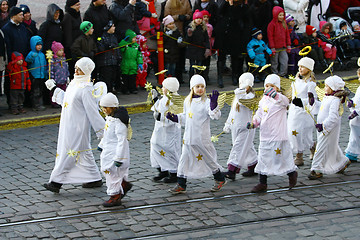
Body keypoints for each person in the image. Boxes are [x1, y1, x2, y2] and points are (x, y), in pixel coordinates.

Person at [43, 57, 105, 193]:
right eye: (76, 68)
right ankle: (94, 178)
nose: (76, 71)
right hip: (68, 124)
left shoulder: (87, 89)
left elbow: (92, 111)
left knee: (69, 152)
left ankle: (56, 182)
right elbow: (66, 99)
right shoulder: (73, 84)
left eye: (80, 69)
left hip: (78, 127)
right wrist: (54, 88)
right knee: (84, 151)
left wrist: (103, 131)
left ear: (86, 71)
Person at [166, 75, 226, 194]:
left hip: (200, 138)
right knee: (183, 160)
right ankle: (181, 183)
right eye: (197, 86)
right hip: (188, 137)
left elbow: (214, 115)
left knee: (207, 158)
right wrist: (175, 118)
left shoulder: (206, 102)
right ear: (192, 88)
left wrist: (213, 104)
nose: (200, 89)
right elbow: (186, 117)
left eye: (202, 86)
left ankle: (219, 177)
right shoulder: (187, 102)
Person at [247, 74, 298, 193]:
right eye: (267, 86)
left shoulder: (280, 99)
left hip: (278, 135)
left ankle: (291, 173)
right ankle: (262, 183)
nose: (269, 88)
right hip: (265, 134)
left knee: (280, 157)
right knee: (263, 158)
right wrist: (254, 122)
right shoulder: (263, 100)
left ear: (277, 88)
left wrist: (276, 95)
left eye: (272, 86)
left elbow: (286, 102)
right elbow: (259, 113)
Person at [309, 75, 351, 180]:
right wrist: (313, 102)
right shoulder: (327, 97)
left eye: (327, 86)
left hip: (328, 128)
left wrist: (324, 126)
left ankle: (316, 168)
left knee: (321, 147)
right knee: (331, 145)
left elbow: (333, 117)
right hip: (322, 128)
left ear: (333, 88)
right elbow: (322, 107)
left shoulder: (335, 100)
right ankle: (342, 161)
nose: (324, 88)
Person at [98, 93, 133, 207]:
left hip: (115, 153)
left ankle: (115, 196)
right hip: (108, 151)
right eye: (102, 107)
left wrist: (119, 158)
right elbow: (107, 135)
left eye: (106, 107)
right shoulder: (110, 119)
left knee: (113, 173)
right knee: (107, 170)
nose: (103, 110)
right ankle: (123, 184)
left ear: (112, 107)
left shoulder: (118, 122)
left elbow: (122, 140)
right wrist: (102, 144)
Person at [223, 73, 258, 180]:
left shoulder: (250, 96)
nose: (241, 85)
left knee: (237, 147)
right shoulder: (238, 95)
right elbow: (232, 112)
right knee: (247, 147)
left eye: (244, 83)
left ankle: (232, 170)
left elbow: (243, 102)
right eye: (240, 83)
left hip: (246, 127)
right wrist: (228, 124)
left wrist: (242, 90)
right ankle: (254, 165)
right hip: (236, 126)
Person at [287, 57, 318, 166]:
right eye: (299, 66)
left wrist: (302, 102)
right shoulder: (295, 81)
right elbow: (293, 94)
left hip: (304, 112)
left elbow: (312, 100)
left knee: (303, 133)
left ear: (309, 69)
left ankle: (304, 152)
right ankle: (298, 151)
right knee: (292, 131)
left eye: (303, 67)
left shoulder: (310, 84)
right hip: (294, 112)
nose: (300, 69)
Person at [150, 77, 181, 183]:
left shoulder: (175, 100)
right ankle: (162, 169)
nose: (162, 88)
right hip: (159, 130)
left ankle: (174, 172)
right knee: (155, 146)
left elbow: (175, 118)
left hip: (169, 132)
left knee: (169, 150)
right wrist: (155, 100)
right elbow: (158, 108)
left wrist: (160, 117)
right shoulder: (164, 98)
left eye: (164, 87)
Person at [164, 0, 192, 83]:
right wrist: (177, 17)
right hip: (172, 28)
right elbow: (166, 16)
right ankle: (170, 77)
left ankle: (179, 76)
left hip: (182, 29)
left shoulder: (186, 1)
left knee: (181, 54)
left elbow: (189, 14)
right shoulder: (169, 2)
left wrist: (185, 17)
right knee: (171, 57)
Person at [185, 10, 210, 80]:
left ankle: (198, 79)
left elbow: (207, 39)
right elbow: (187, 41)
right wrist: (189, 35)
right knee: (192, 66)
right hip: (192, 50)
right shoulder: (190, 28)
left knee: (199, 66)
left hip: (200, 50)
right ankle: (191, 79)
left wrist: (207, 48)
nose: (199, 20)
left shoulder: (203, 28)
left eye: (200, 19)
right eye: (197, 18)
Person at [97, 20, 121, 93]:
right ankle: (107, 92)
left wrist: (119, 57)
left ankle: (111, 90)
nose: (114, 28)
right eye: (112, 26)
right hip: (105, 63)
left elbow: (117, 48)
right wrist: (107, 47)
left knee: (113, 77)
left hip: (114, 62)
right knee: (106, 79)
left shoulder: (114, 37)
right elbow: (100, 48)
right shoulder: (102, 37)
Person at [267, 6, 291, 77]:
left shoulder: (284, 24)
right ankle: (275, 74)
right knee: (274, 62)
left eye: (283, 15)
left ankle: (282, 74)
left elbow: (287, 35)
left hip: (283, 47)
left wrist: (288, 45)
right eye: (280, 15)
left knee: (284, 61)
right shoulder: (271, 25)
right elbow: (270, 37)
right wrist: (272, 47)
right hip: (275, 48)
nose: (281, 17)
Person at [25, 35, 47, 111]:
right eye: (37, 45)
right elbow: (27, 61)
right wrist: (31, 57)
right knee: (35, 91)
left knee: (40, 90)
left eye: (40, 45)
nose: (39, 47)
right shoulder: (31, 54)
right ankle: (35, 105)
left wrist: (45, 73)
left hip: (41, 75)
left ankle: (40, 103)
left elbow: (44, 65)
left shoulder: (42, 55)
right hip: (34, 75)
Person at [118, 29, 143, 94]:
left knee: (133, 77)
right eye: (133, 38)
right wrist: (124, 41)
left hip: (133, 63)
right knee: (125, 77)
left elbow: (139, 55)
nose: (135, 39)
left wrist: (140, 63)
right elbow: (120, 48)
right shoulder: (125, 45)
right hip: (125, 63)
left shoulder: (136, 46)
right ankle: (125, 89)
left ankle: (133, 88)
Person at [62, 0, 82, 79]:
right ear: (71, 6)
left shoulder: (77, 14)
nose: (79, 6)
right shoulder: (67, 16)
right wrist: (72, 49)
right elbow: (68, 35)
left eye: (79, 4)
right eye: (77, 5)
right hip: (72, 49)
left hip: (78, 46)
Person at [345, 68, 360, 162]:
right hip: (357, 119)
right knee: (354, 136)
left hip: (358, 115)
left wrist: (357, 112)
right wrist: (351, 102)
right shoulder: (359, 88)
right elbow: (357, 99)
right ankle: (352, 153)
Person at [49, 41, 69, 108]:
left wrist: (67, 76)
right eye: (60, 50)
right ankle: (54, 102)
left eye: (62, 50)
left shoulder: (64, 59)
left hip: (63, 79)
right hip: (56, 80)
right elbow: (50, 69)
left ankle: (62, 101)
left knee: (63, 91)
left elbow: (66, 68)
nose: (62, 52)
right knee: (55, 92)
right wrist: (51, 78)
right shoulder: (53, 60)